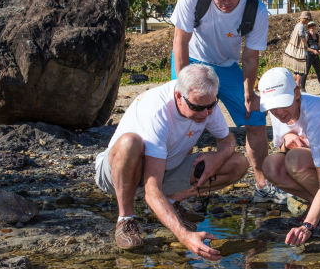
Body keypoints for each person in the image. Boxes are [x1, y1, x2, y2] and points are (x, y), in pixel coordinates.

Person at [95, 64, 249, 258]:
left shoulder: (206, 102)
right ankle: (126, 218)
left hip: (165, 169)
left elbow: (227, 140)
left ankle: (171, 201)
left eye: (211, 106)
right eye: (197, 107)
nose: (205, 114)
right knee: (129, 143)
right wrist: (184, 236)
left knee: (238, 163)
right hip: (116, 174)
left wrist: (218, 157)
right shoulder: (156, 110)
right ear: (179, 96)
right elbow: (152, 189)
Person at [170, 0, 286, 204]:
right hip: (191, 59)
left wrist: (248, 91)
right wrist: (180, 86)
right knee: (185, 119)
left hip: (227, 66)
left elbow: (251, 56)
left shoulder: (256, 9)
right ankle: (181, 186)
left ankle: (262, 185)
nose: (224, 1)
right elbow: (180, 40)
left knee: (254, 118)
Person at [258, 67, 320, 246]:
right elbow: (282, 147)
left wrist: (308, 226)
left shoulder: (318, 112)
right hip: (314, 169)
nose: (278, 113)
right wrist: (287, 138)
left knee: (294, 160)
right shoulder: (279, 111)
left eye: (282, 104)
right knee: (271, 165)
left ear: (297, 93)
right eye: (272, 108)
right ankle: (319, 207)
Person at [283, 11, 311, 87]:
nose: (309, 21)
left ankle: (292, 84)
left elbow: (292, 35)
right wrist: (305, 42)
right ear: (306, 19)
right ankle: (297, 84)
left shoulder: (297, 25)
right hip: (299, 49)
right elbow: (301, 35)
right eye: (308, 19)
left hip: (294, 48)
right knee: (301, 68)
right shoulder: (301, 26)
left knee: (296, 69)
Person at [302, 20, 320, 94]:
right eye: (310, 26)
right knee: (306, 72)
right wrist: (312, 50)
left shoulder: (317, 35)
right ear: (308, 27)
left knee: (319, 73)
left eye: (313, 26)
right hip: (309, 56)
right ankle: (302, 88)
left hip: (316, 56)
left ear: (314, 26)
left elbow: (319, 45)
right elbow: (305, 46)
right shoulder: (307, 35)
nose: (311, 27)